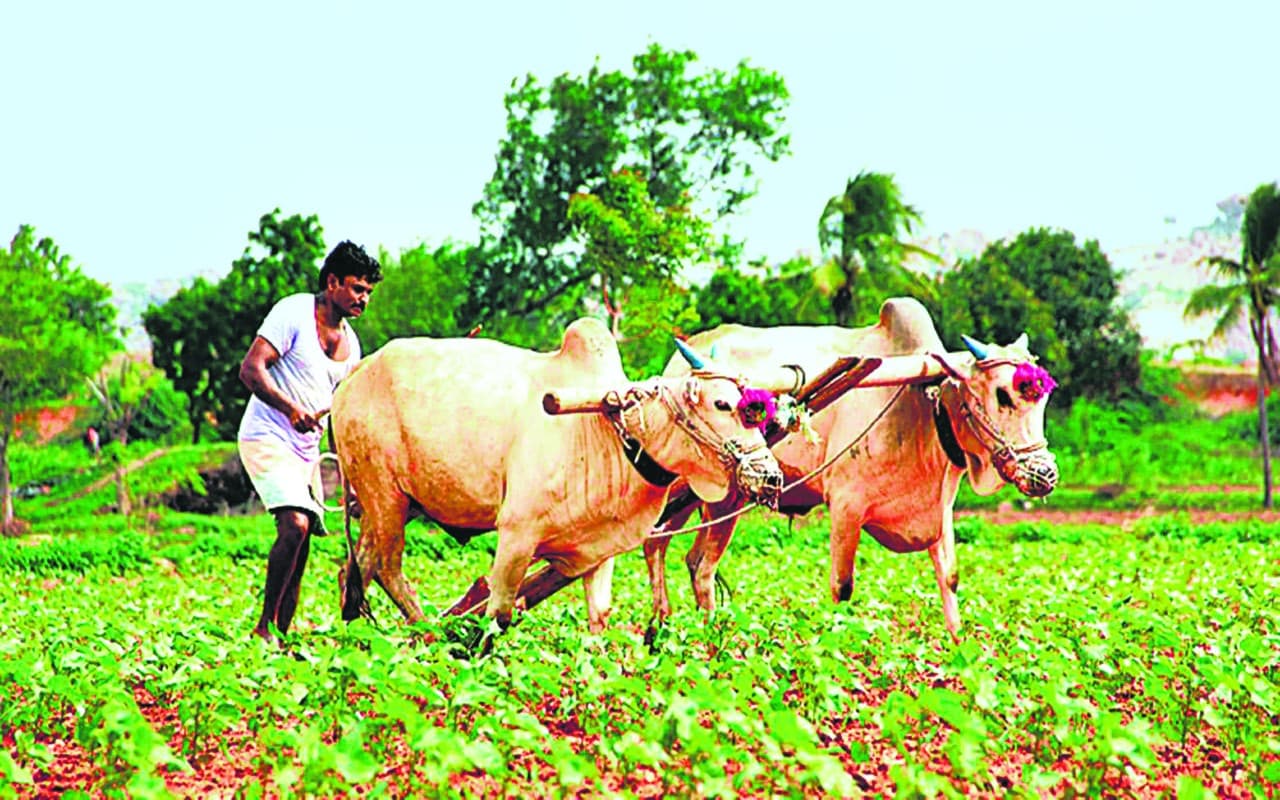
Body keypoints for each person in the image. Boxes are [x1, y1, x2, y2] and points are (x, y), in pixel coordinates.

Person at [237, 241, 382, 644]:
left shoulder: (353, 347)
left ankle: (279, 635)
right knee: (295, 524)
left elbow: (343, 417)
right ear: (332, 282)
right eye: (356, 289)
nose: (363, 299)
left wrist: (354, 480)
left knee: (301, 545)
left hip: (307, 451)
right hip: (267, 434)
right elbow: (250, 370)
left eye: (368, 292)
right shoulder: (292, 313)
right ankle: (263, 629)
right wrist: (290, 409)